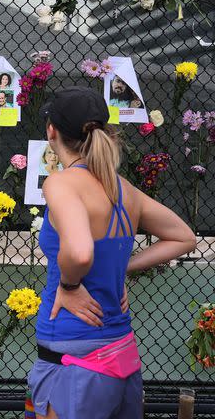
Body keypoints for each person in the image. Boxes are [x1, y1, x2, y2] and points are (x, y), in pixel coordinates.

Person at [29, 86, 195, 419]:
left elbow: (79, 251)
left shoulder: (60, 184)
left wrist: (69, 286)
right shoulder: (125, 190)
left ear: (52, 131)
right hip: (121, 356)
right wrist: (123, 269)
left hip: (74, 361)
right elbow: (183, 236)